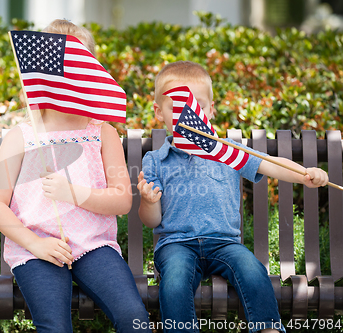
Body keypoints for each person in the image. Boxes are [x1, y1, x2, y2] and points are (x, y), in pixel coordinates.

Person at [137, 61, 329, 333]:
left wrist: (305, 175)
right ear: (159, 112)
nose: (189, 115)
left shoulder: (227, 151)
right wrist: (148, 200)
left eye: (198, 106)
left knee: (252, 270)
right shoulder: (156, 161)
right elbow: (151, 220)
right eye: (177, 108)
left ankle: (268, 329)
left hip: (224, 242)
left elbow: (270, 163)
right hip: (177, 244)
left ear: (211, 110)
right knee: (175, 280)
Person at [0, 19, 150, 333]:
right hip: (37, 249)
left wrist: (72, 193)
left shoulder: (102, 133)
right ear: (43, 71)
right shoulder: (21, 136)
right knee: (55, 327)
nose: (70, 71)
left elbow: (121, 201)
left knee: (134, 318)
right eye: (62, 62)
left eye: (79, 62)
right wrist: (35, 244)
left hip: (93, 246)